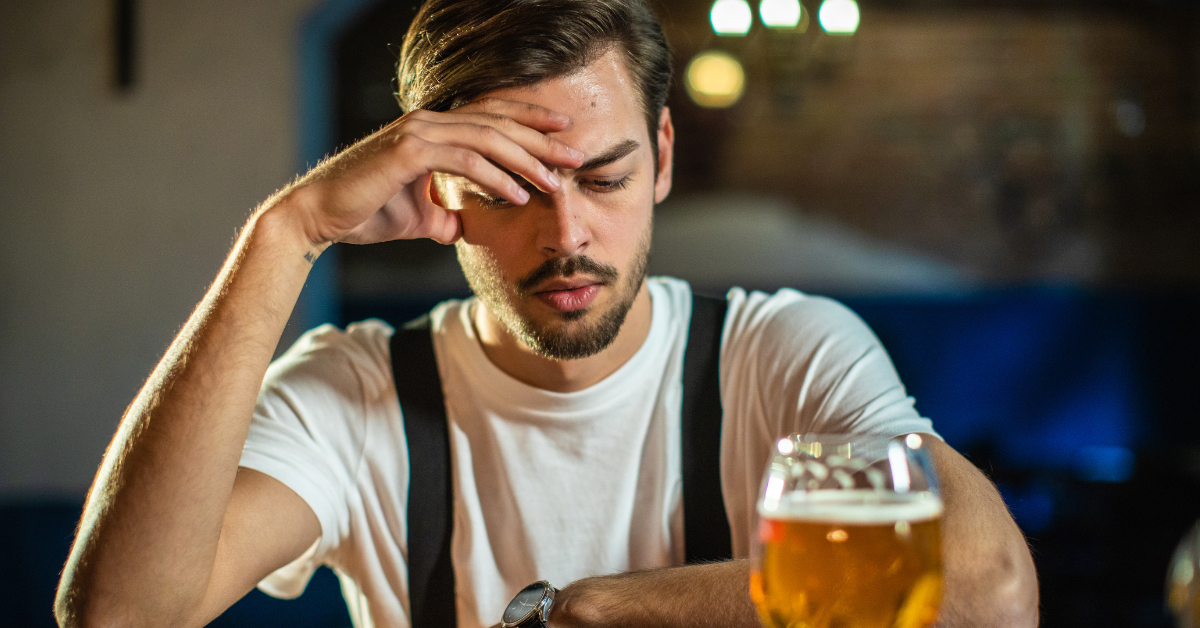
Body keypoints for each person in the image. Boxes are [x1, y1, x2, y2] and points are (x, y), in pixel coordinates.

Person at [54, 0, 1039, 627]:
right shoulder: (352, 393)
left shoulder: (778, 353)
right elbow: (120, 613)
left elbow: (989, 589)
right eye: (515, 186)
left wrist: (602, 607)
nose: (567, 232)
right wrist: (287, 231)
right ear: (441, 188)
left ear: (659, 155)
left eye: (603, 176)